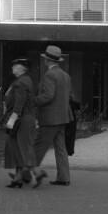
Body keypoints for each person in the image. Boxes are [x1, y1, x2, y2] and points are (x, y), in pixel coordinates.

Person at [32, 45, 76, 187]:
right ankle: (64, 178)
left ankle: (27, 174)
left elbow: (48, 96)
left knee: (38, 146)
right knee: (60, 147)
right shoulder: (65, 75)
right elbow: (71, 96)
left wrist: (33, 101)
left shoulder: (49, 75)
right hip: (63, 117)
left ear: (47, 60)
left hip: (50, 118)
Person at [2, 58, 39, 188]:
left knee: (24, 148)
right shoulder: (25, 80)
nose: (12, 68)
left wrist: (11, 120)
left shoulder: (20, 83)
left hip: (21, 119)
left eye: (15, 66)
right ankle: (18, 178)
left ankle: (36, 175)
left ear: (21, 68)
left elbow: (19, 103)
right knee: (17, 148)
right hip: (25, 119)